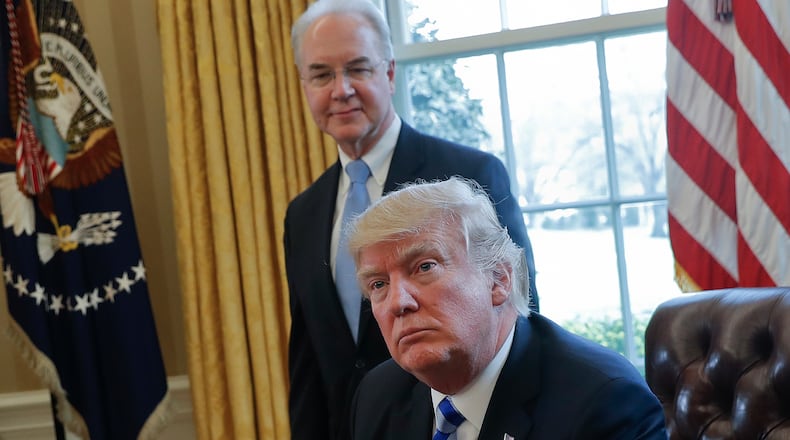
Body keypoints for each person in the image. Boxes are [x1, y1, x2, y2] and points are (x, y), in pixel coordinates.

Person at [284, 1, 539, 439]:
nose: (341, 89)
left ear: (389, 73)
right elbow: (309, 361)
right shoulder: (302, 213)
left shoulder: (468, 176)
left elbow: (519, 314)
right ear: (305, 85)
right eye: (322, 74)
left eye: (358, 69)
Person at [347, 177, 668, 440]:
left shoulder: (601, 402)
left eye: (425, 267)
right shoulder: (379, 396)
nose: (399, 302)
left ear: (498, 279)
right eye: (378, 284)